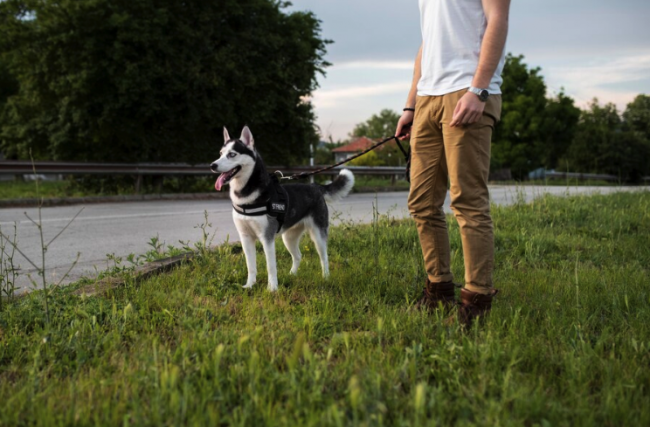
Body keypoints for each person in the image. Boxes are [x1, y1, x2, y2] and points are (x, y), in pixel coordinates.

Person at [395, 0, 511, 328]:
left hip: (466, 90)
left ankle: (476, 300)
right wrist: (411, 105)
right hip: (428, 98)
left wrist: (479, 89)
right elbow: (428, 43)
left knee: (467, 201)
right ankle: (439, 290)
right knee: (422, 203)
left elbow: (497, 21)